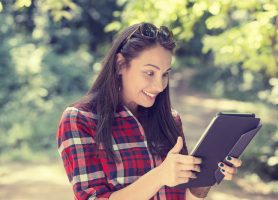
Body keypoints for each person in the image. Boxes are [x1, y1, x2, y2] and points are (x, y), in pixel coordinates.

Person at [56, 22, 242, 200]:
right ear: (120, 65)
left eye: (165, 74)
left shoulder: (171, 120)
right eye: (150, 73)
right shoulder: (80, 119)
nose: (160, 86)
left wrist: (207, 177)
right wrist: (160, 176)